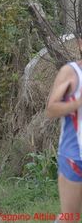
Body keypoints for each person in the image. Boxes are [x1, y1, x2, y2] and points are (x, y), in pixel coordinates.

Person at [47, 43, 82, 222]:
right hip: (74, 156)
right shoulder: (71, 72)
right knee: (71, 218)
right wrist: (76, 103)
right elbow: (51, 109)